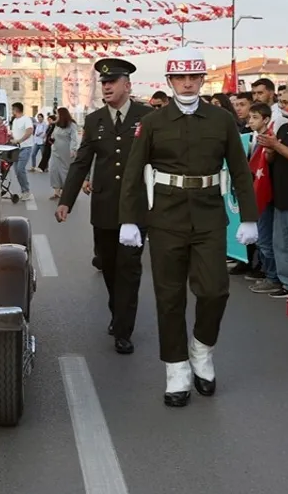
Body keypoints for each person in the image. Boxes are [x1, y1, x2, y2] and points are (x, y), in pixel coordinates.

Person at [118, 50, 258, 407]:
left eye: (194, 77)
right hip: (165, 215)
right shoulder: (153, 122)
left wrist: (250, 217)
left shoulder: (221, 119)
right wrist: (129, 220)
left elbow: (240, 170)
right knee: (169, 296)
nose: (187, 83)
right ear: (170, 81)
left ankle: (201, 347)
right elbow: (134, 172)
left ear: (202, 79)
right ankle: (176, 368)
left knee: (214, 291)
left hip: (210, 214)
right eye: (180, 78)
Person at [56, 58, 153, 355]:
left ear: (127, 85)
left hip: (135, 208)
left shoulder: (147, 117)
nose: (106, 87)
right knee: (109, 267)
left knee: (129, 268)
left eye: (112, 82)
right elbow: (82, 161)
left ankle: (124, 329)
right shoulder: (95, 119)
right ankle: (117, 311)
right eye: (103, 83)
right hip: (105, 207)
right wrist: (66, 200)